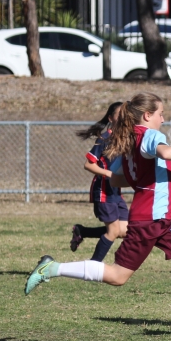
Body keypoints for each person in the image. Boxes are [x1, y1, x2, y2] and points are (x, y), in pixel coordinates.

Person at [24, 92, 171, 338]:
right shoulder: (148, 135)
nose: (163, 118)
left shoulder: (127, 142)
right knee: (117, 276)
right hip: (152, 218)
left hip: (160, 218)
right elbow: (165, 153)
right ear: (147, 116)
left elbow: (119, 177)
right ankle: (52, 268)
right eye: (160, 114)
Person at [69, 102, 128, 262]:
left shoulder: (126, 139)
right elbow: (88, 164)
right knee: (113, 231)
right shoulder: (105, 138)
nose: (124, 118)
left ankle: (83, 231)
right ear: (111, 118)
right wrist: (109, 173)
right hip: (103, 191)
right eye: (120, 115)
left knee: (125, 230)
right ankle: (92, 266)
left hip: (116, 192)